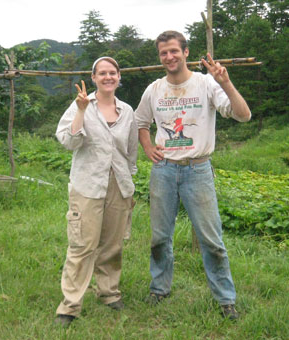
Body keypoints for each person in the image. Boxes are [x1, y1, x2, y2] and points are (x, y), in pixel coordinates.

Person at [135, 30, 251, 320]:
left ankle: (225, 300)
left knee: (212, 240)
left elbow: (243, 115)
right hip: (163, 171)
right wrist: (148, 146)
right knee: (160, 237)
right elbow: (140, 121)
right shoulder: (154, 89)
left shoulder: (206, 84)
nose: (169, 57)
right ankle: (159, 289)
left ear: (186, 52)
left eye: (174, 50)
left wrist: (226, 82)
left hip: (197, 170)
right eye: (163, 53)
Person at [54, 57, 138, 327]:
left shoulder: (126, 110)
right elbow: (68, 141)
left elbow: (131, 148)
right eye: (102, 73)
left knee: (113, 244)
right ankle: (69, 306)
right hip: (88, 185)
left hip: (119, 185)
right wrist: (80, 111)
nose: (108, 77)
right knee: (82, 245)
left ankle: (109, 293)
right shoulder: (82, 105)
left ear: (118, 76)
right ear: (93, 78)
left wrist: (129, 177)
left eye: (112, 72)